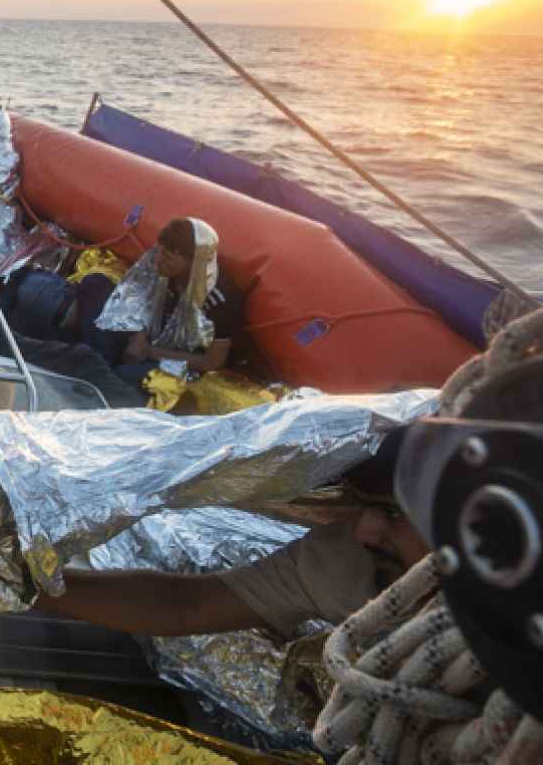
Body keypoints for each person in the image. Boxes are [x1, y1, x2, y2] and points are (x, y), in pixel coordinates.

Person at [30, 431, 428, 637]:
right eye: (360, 504)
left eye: (394, 512)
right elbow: (184, 604)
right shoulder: (342, 562)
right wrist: (27, 589)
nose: (364, 530)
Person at [80, 217, 249, 389]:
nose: (158, 260)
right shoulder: (160, 263)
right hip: (150, 333)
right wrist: (139, 335)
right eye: (159, 251)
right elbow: (138, 293)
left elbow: (213, 361)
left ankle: (100, 364)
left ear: (193, 263)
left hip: (178, 357)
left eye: (168, 257)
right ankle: (98, 361)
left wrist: (149, 351)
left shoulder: (220, 299)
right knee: (95, 284)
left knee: (128, 374)